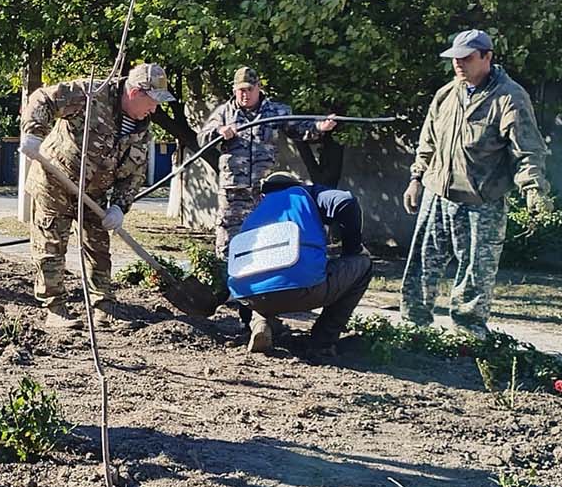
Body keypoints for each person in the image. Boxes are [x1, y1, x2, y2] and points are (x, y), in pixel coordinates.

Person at [400, 29, 553, 339]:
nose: (459, 64)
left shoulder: (510, 97)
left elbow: (527, 150)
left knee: (475, 273)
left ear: (487, 57)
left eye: (467, 58)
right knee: (421, 266)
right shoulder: (446, 94)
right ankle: (413, 330)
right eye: (455, 58)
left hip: (481, 201)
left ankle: (467, 337)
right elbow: (428, 141)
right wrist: (416, 178)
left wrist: (534, 190)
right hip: (437, 194)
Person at [19, 63, 176, 329]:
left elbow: (134, 174)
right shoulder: (91, 94)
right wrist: (33, 133)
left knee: (98, 249)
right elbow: (43, 98)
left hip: (94, 193)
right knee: (51, 247)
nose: (154, 109)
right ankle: (55, 309)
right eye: (153, 101)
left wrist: (119, 207)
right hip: (54, 181)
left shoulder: (141, 130)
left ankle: (104, 307)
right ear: (135, 92)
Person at [199, 67, 338, 258]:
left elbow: (299, 128)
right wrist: (219, 131)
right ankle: (226, 274)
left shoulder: (275, 111)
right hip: (234, 193)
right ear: (234, 90)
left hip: (264, 192)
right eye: (241, 90)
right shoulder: (224, 113)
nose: (245, 94)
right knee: (228, 246)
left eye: (249, 89)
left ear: (258, 87)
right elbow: (202, 139)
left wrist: (320, 126)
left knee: (264, 244)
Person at [228, 172, 373, 355]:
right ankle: (322, 342)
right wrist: (352, 249)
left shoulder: (257, 211)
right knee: (364, 265)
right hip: (302, 291)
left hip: (249, 297)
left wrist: (246, 316)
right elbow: (346, 201)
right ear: (298, 185)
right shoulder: (305, 194)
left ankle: (260, 323)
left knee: (264, 273)